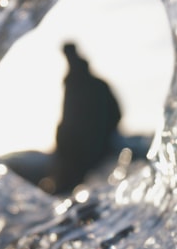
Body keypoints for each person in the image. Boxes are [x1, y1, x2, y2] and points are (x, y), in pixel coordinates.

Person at [48, 43, 122, 193]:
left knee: (85, 191)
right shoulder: (73, 85)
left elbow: (115, 114)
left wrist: (100, 136)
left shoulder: (86, 85)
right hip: (74, 149)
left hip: (86, 152)